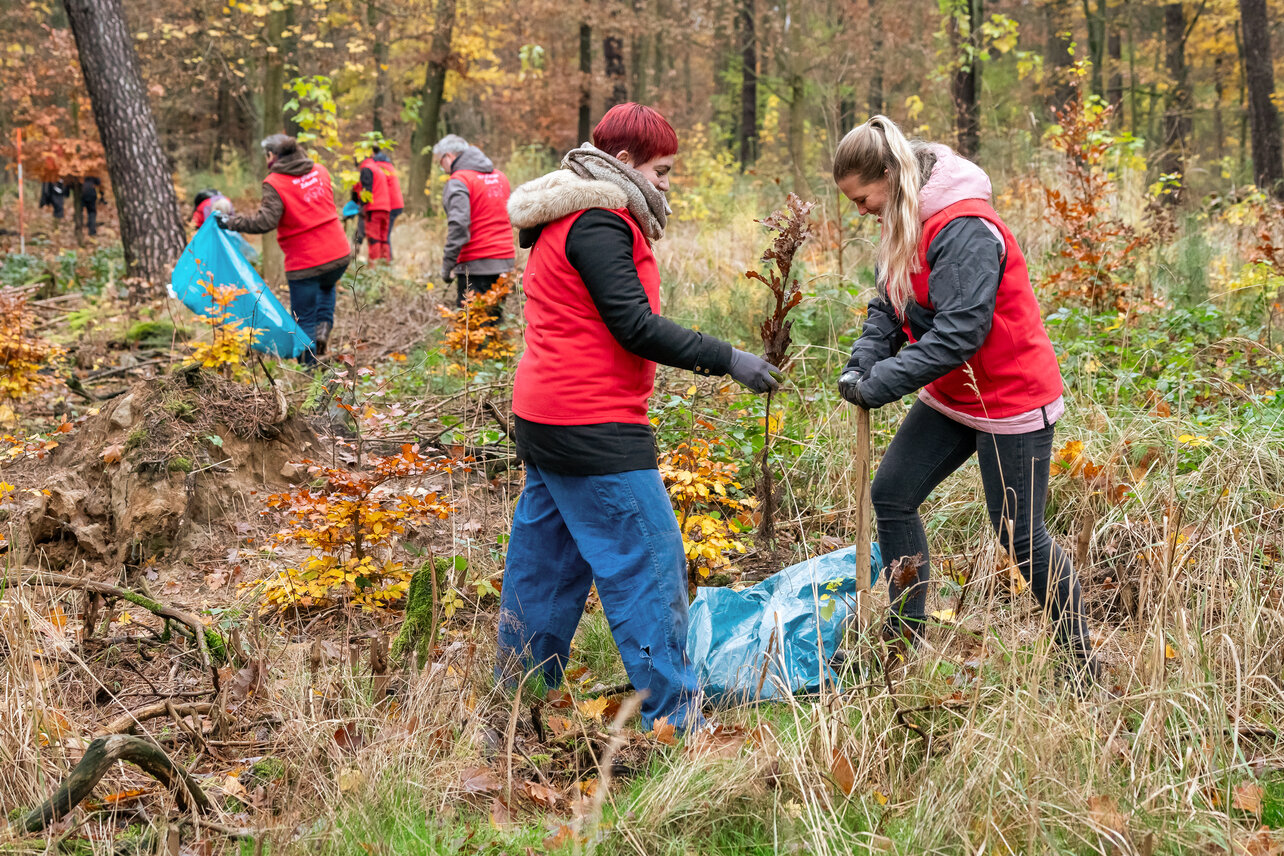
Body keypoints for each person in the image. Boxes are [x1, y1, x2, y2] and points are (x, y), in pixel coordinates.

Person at [497, 103, 783, 730]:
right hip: (590, 421)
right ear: (623, 164)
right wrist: (728, 357)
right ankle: (678, 720)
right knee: (649, 562)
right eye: (662, 169)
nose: (667, 183)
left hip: (548, 414)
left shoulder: (566, 214)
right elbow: (634, 327)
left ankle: (518, 701)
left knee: (546, 562)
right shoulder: (598, 221)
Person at [831, 115, 1098, 682]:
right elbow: (889, 304)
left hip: (1011, 398)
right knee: (893, 494)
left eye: (862, 197)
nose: (860, 210)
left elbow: (959, 333)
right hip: (953, 394)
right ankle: (903, 645)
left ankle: (1082, 669)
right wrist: (863, 361)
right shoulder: (902, 217)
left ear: (890, 174)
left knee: (1018, 535)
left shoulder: (964, 227)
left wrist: (881, 385)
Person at [220, 134, 350, 363]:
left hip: (306, 261)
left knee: (304, 317)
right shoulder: (320, 170)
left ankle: (309, 371)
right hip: (338, 253)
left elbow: (265, 222)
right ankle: (322, 333)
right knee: (327, 288)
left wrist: (230, 222)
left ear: (272, 155)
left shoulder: (275, 182)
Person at [432, 134, 514, 312]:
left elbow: (459, 226)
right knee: (495, 323)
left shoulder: (459, 181)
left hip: (475, 265)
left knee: (471, 328)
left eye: (440, 162)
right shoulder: (501, 177)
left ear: (449, 156)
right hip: (505, 262)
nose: (443, 168)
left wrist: (447, 266)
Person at [355, 151, 392, 263]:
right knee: (383, 238)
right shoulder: (377, 168)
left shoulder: (366, 168)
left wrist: (362, 206)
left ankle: (374, 266)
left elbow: (367, 190)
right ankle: (385, 264)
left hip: (374, 207)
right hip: (386, 207)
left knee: (374, 237)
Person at [371, 147, 404, 259]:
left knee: (384, 235)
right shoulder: (388, 166)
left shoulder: (378, 168)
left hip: (389, 205)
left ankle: (387, 261)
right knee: (384, 234)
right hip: (395, 204)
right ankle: (385, 260)